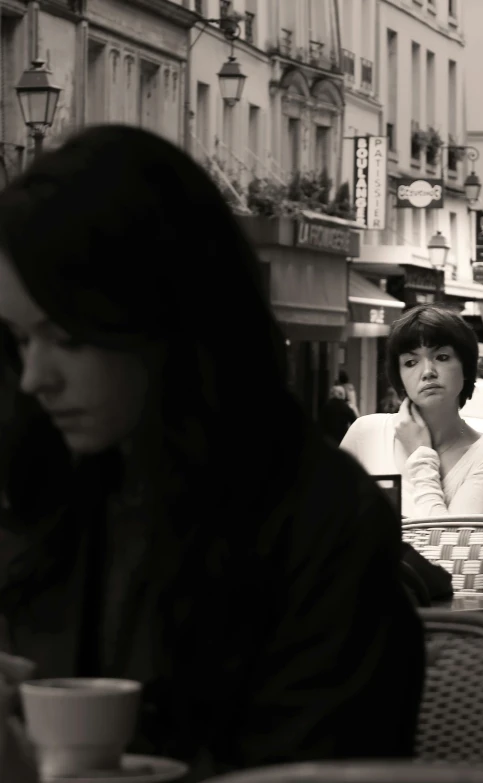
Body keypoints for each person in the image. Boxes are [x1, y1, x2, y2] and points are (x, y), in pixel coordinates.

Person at [0, 125, 423, 781]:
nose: (35, 377)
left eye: (67, 338)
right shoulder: (55, 491)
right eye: (22, 341)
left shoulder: (315, 519)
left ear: (164, 319)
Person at [340, 305, 483, 518]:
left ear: (466, 367)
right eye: (411, 362)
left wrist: (420, 455)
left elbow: (447, 546)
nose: (427, 372)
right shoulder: (365, 433)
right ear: (400, 377)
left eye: (441, 357)